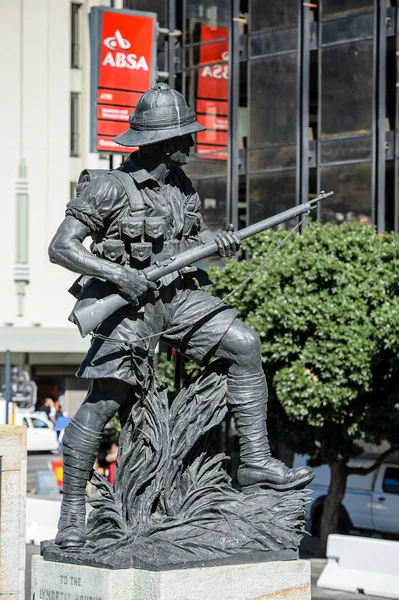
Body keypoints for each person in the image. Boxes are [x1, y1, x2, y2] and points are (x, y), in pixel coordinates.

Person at [49, 83, 313, 549]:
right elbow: (61, 247)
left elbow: (191, 241)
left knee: (245, 345)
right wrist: (118, 275)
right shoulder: (108, 187)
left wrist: (219, 243)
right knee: (103, 404)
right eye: (185, 136)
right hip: (127, 307)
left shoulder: (181, 187)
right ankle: (72, 517)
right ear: (164, 142)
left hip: (178, 298)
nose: (192, 144)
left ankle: (254, 460)